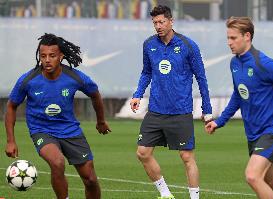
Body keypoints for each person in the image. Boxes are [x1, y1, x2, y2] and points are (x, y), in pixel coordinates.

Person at [5, 33, 111, 199]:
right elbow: (11, 106)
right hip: (42, 130)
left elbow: (95, 94)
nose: (47, 60)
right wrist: (11, 140)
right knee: (57, 162)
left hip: (70, 130)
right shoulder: (28, 80)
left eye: (52, 56)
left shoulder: (74, 77)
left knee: (90, 179)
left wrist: (101, 121)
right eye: (43, 56)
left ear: (61, 56)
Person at [130, 5, 212, 199]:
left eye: (161, 22)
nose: (158, 26)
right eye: (155, 23)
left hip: (180, 111)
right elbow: (146, 72)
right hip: (156, 110)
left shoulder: (188, 45)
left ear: (171, 21)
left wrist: (206, 109)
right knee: (142, 153)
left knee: (186, 157)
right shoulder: (149, 44)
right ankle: (166, 194)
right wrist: (138, 94)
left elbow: (201, 78)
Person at [205, 17, 273, 199]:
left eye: (233, 38)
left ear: (247, 36)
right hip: (254, 132)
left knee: (253, 176)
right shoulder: (235, 63)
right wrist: (219, 121)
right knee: (270, 182)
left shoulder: (262, 63)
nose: (229, 43)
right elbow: (239, 94)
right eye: (228, 38)